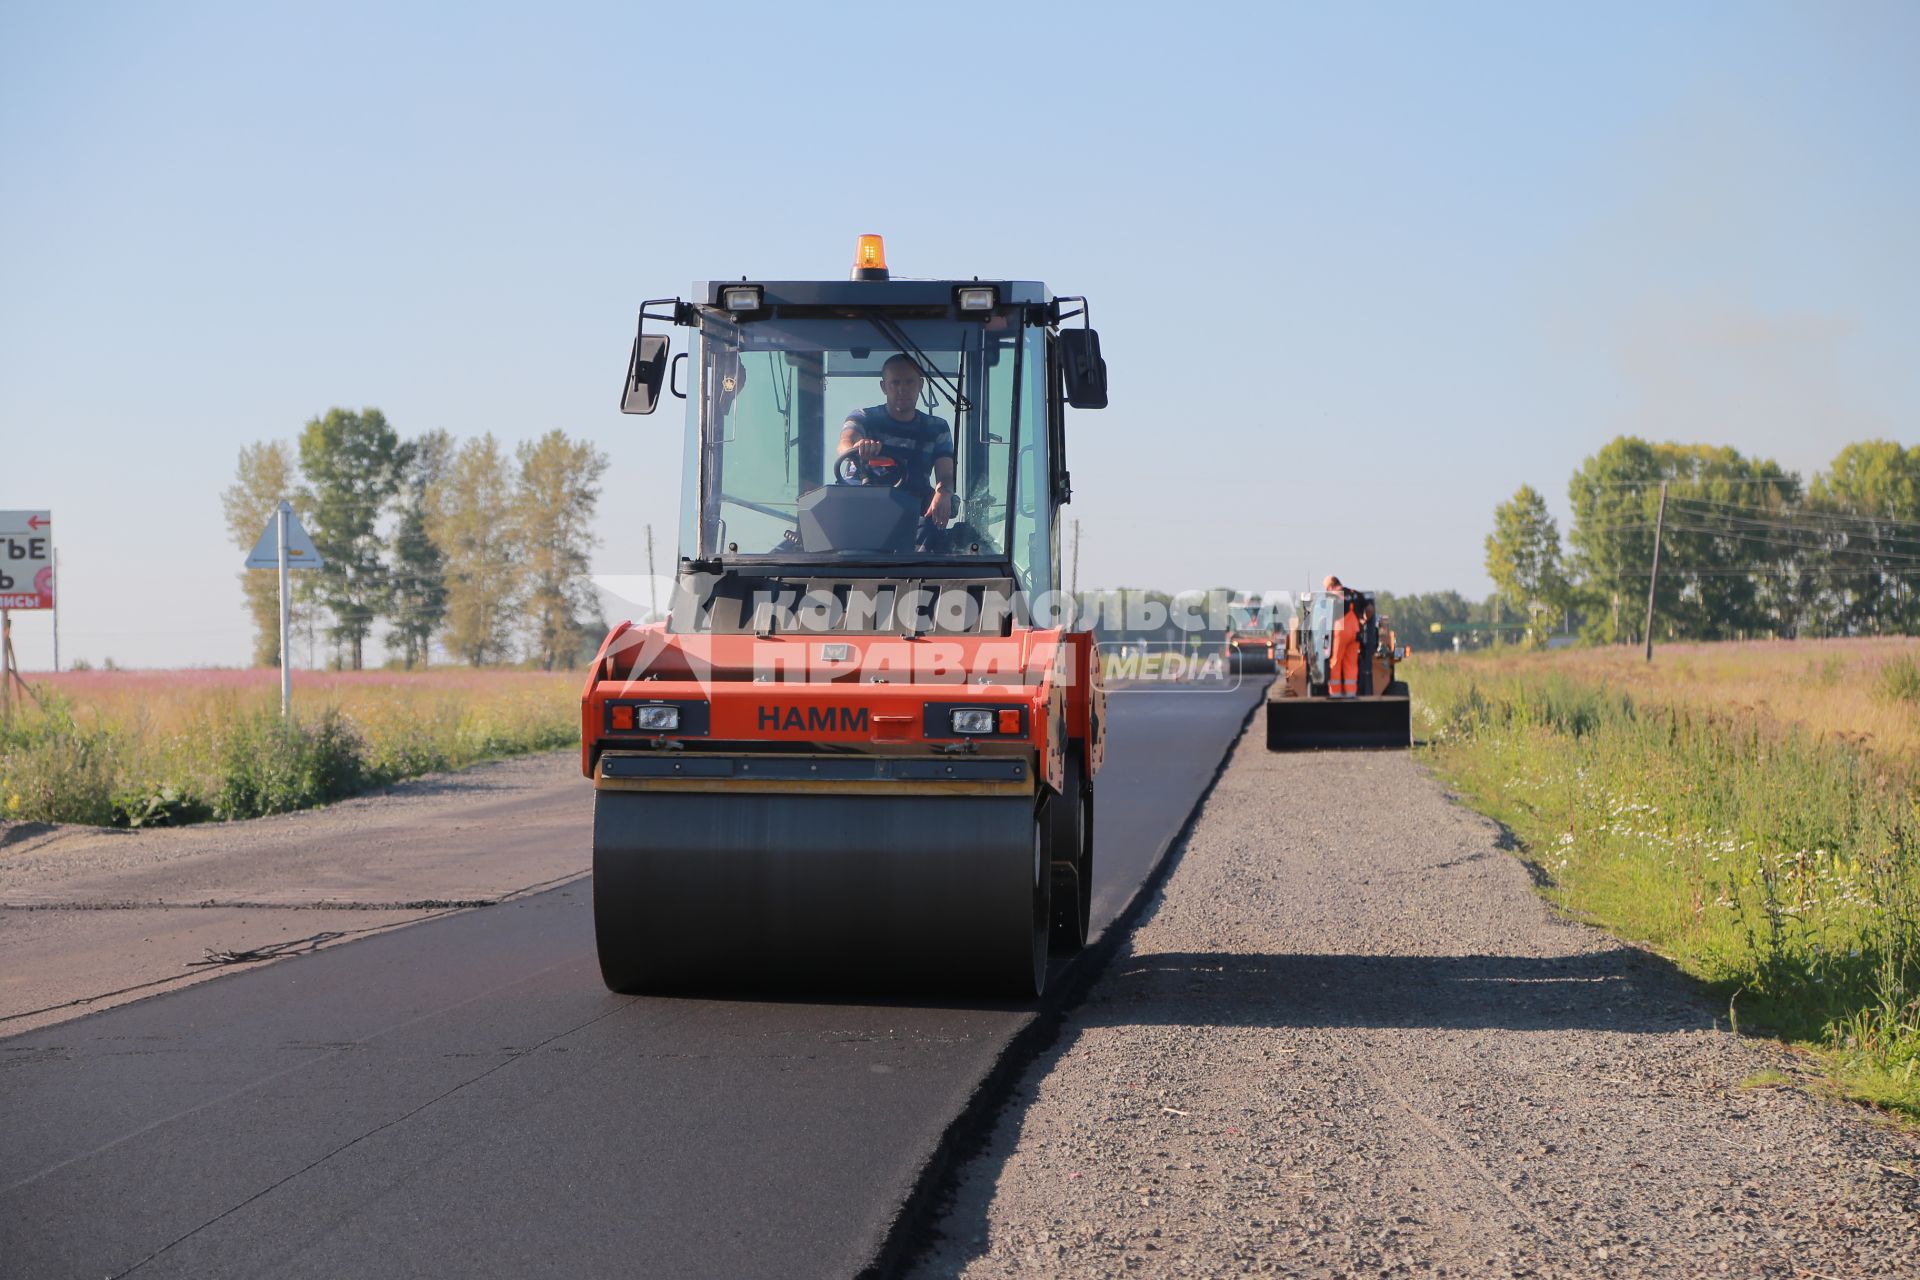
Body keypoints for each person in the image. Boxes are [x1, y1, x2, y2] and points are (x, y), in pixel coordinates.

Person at [837, 354, 955, 530]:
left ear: (920, 385)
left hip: (912, 516)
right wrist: (857, 447)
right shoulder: (864, 418)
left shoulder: (936, 428)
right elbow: (845, 443)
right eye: (895, 383)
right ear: (884, 387)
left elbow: (946, 475)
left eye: (909, 382)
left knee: (935, 536)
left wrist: (943, 493)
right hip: (858, 512)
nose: (902, 389)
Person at [1328, 587, 1360, 698]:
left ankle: (1335, 694)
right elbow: (1369, 609)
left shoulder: (1333, 595)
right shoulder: (1354, 594)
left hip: (1340, 631)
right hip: (1355, 631)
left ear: (1330, 586)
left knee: (1335, 662)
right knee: (1351, 664)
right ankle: (1351, 694)